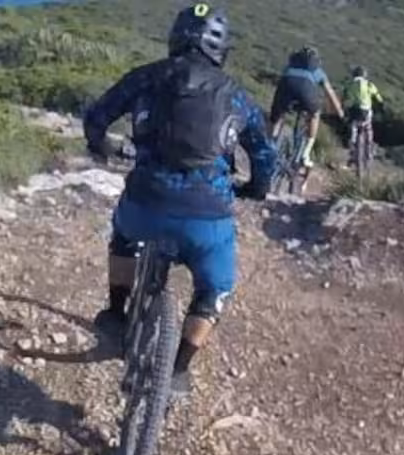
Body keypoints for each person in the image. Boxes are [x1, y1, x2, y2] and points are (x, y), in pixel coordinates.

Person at [82, 4, 278, 398]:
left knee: (123, 236)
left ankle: (116, 316)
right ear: (221, 49)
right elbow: (265, 155)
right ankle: (178, 370)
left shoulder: (147, 76)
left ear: (176, 37)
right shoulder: (237, 96)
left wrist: (101, 145)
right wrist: (256, 189)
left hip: (145, 204)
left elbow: (97, 117)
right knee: (214, 288)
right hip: (207, 218)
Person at [267, 45, 344, 193]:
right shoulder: (318, 70)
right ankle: (306, 151)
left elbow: (282, 83)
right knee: (315, 114)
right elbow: (330, 93)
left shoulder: (290, 66)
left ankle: (270, 144)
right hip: (307, 92)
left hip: (286, 87)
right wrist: (339, 113)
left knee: (277, 118)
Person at [345, 65, 382, 165]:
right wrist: (379, 108)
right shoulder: (369, 84)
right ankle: (369, 152)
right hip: (366, 111)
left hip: (354, 111)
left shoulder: (350, 84)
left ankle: (352, 150)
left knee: (352, 127)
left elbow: (345, 96)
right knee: (368, 128)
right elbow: (378, 98)